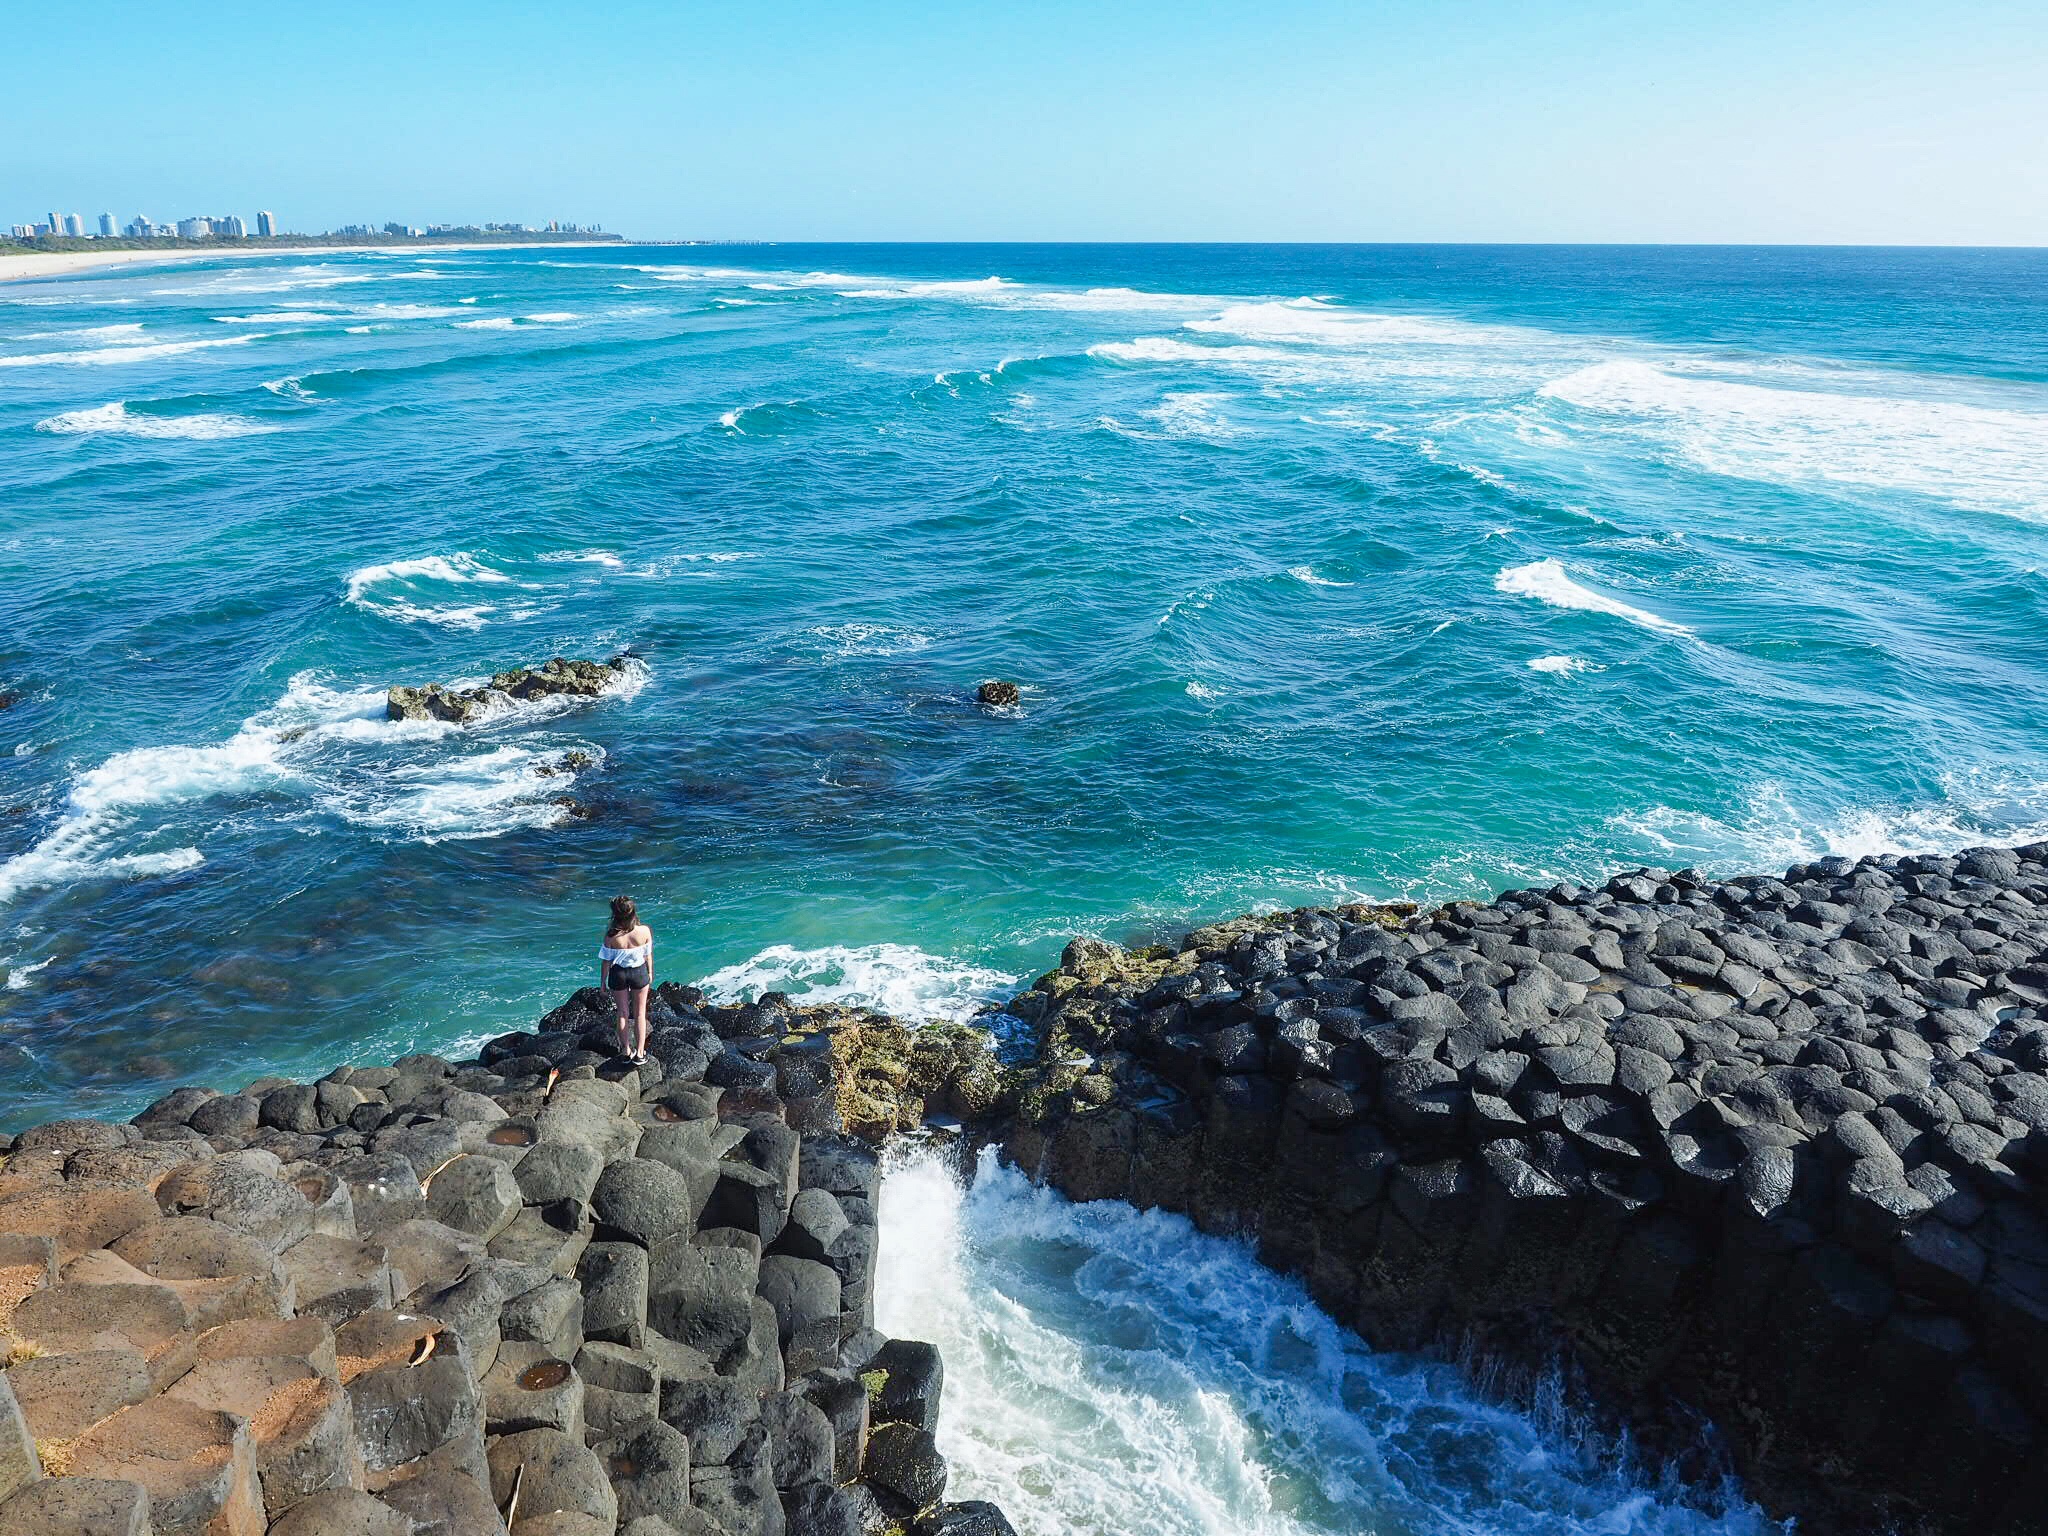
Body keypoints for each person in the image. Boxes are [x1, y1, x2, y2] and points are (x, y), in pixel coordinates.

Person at [598, 895, 653, 1063]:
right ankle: (641, 1053)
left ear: (614, 914)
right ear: (632, 912)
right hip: (639, 973)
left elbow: (606, 962)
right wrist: (650, 973)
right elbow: (648, 955)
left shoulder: (611, 936)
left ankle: (626, 1051)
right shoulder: (644, 931)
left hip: (618, 974)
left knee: (622, 1013)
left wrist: (602, 983)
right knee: (640, 1013)